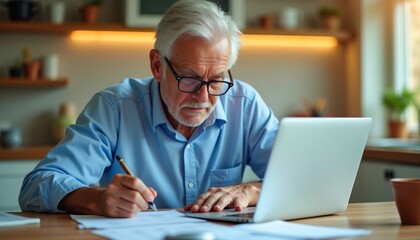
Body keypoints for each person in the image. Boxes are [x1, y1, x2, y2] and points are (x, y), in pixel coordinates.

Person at [19, 0, 279, 218]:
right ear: (157, 65)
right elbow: (35, 186)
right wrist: (95, 199)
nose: (203, 96)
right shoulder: (115, 107)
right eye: (189, 78)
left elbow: (308, 178)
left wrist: (252, 191)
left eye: (216, 80)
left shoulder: (244, 104)